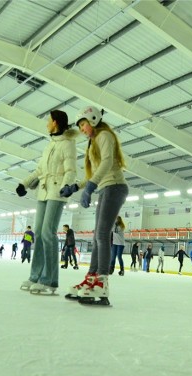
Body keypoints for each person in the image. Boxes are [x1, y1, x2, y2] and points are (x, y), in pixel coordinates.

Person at [64, 106, 128, 306]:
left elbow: (108, 162)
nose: (82, 129)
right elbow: (93, 174)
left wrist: (90, 187)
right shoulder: (93, 142)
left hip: (115, 187)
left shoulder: (104, 136)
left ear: (92, 120)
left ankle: (102, 282)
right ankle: (92, 278)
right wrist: (76, 186)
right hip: (105, 188)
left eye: (83, 124)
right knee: (96, 235)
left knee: (102, 234)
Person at [17, 110, 79, 294]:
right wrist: (24, 184)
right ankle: (35, 275)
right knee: (38, 232)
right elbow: (39, 171)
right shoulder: (49, 145)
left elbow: (71, 170)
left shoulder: (68, 144)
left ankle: (50, 280)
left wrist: (66, 186)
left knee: (48, 233)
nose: (46, 124)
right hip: (43, 191)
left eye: (49, 121)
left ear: (56, 123)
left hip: (57, 191)